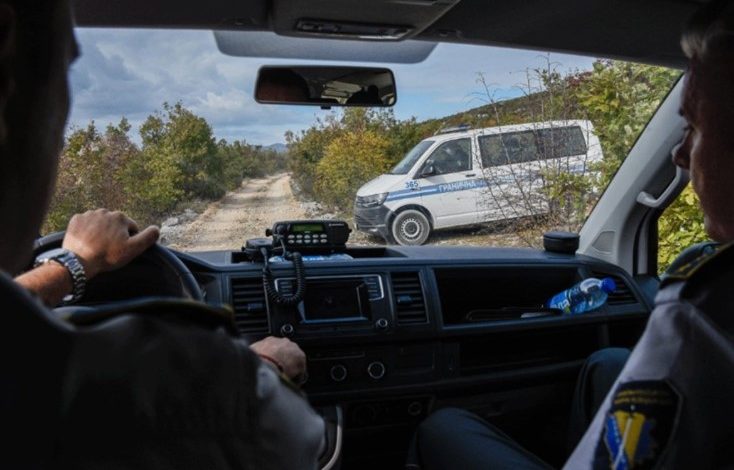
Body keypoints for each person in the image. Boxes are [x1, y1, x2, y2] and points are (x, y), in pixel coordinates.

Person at [0, 0, 324, 468]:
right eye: (66, 67)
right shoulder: (189, 392)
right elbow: (298, 441)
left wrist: (72, 264)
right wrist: (269, 366)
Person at [411, 0, 734, 468]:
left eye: (696, 127)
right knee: (606, 363)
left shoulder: (711, 292)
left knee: (441, 427)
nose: (680, 155)